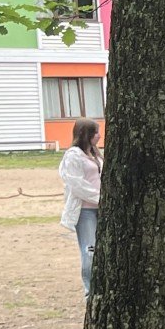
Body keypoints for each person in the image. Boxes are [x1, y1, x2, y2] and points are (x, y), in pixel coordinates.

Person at [58, 117, 102, 297]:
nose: (99, 136)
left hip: (101, 209)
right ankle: (90, 291)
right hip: (85, 211)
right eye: (95, 132)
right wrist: (99, 198)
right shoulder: (73, 155)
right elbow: (76, 184)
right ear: (85, 134)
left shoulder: (96, 154)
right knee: (89, 250)